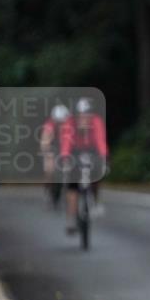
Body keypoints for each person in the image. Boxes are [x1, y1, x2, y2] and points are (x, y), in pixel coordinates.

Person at [60, 97, 108, 233]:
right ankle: (71, 219)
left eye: (87, 115)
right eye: (81, 116)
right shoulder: (69, 124)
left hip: (91, 151)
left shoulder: (96, 122)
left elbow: (100, 141)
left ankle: (96, 200)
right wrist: (65, 157)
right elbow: (66, 142)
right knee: (72, 186)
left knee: (97, 172)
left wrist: (103, 157)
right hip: (74, 152)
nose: (84, 119)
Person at [40, 104, 71, 209]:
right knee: (49, 170)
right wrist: (46, 150)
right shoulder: (49, 125)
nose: (60, 124)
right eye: (58, 121)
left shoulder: (69, 125)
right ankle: (47, 189)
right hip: (53, 149)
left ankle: (65, 189)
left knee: (67, 169)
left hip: (64, 149)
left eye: (63, 121)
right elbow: (44, 141)